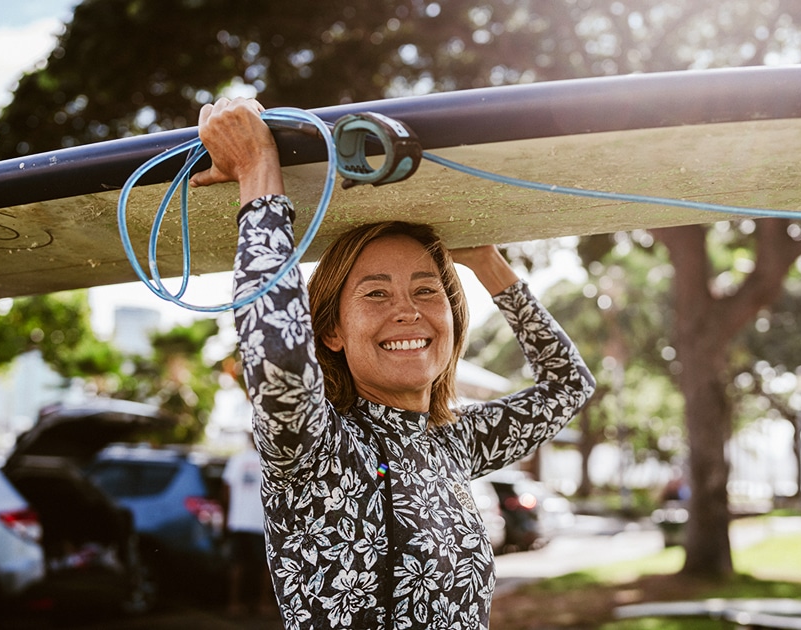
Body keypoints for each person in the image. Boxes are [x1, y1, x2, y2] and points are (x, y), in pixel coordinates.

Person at [190, 96, 596, 629]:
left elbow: (569, 385)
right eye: (376, 295)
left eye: (427, 291)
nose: (408, 312)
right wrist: (258, 172)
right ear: (331, 332)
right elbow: (281, 365)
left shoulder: (453, 442)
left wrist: (487, 263)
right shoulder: (316, 448)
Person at [221, 431, 273, 617]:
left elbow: (226, 489)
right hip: (260, 522)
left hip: (239, 521)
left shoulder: (237, 460)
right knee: (265, 565)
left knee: (237, 564)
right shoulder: (269, 460)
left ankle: (234, 604)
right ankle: (264, 604)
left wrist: (228, 515)